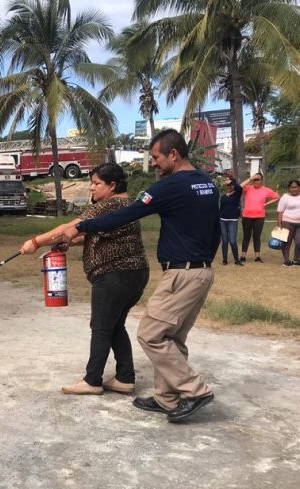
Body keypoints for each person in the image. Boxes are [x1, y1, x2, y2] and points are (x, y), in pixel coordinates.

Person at [60, 129, 221, 422]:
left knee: (150, 334)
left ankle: (194, 390)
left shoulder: (169, 186)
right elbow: (215, 231)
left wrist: (82, 226)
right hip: (201, 271)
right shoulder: (207, 183)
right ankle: (166, 398)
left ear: (174, 154)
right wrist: (203, 263)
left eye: (156, 157)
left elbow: (127, 214)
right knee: (172, 337)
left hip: (182, 273)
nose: (154, 163)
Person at [19, 163, 149, 396]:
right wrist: (71, 242)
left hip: (114, 275)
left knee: (101, 327)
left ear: (112, 185)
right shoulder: (126, 205)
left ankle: (92, 380)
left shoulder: (109, 205)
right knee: (114, 325)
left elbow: (68, 227)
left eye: (97, 183)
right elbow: (95, 234)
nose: (92, 188)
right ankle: (124, 377)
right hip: (134, 274)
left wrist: (35, 242)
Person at [240, 172, 279, 262]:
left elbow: (277, 197)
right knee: (246, 236)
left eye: (258, 179)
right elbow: (240, 186)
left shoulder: (266, 190)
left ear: (262, 180)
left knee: (257, 236)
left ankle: (257, 256)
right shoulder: (248, 188)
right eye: (255, 180)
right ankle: (243, 256)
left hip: (259, 216)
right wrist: (250, 178)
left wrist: (266, 204)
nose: (256, 181)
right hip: (247, 216)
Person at [277, 179, 300, 267]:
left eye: (295, 187)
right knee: (287, 242)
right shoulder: (285, 197)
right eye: (292, 187)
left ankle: (296, 260)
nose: (294, 189)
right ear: (289, 188)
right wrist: (279, 224)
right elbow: (280, 211)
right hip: (287, 222)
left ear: (299, 187)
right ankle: (287, 261)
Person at [219, 175, 243, 266]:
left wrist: (231, 182)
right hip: (222, 220)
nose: (228, 186)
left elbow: (239, 187)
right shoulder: (223, 197)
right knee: (225, 241)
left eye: (230, 185)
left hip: (232, 221)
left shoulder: (237, 194)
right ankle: (225, 259)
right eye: (227, 185)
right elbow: (221, 209)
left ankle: (236, 260)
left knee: (232, 241)